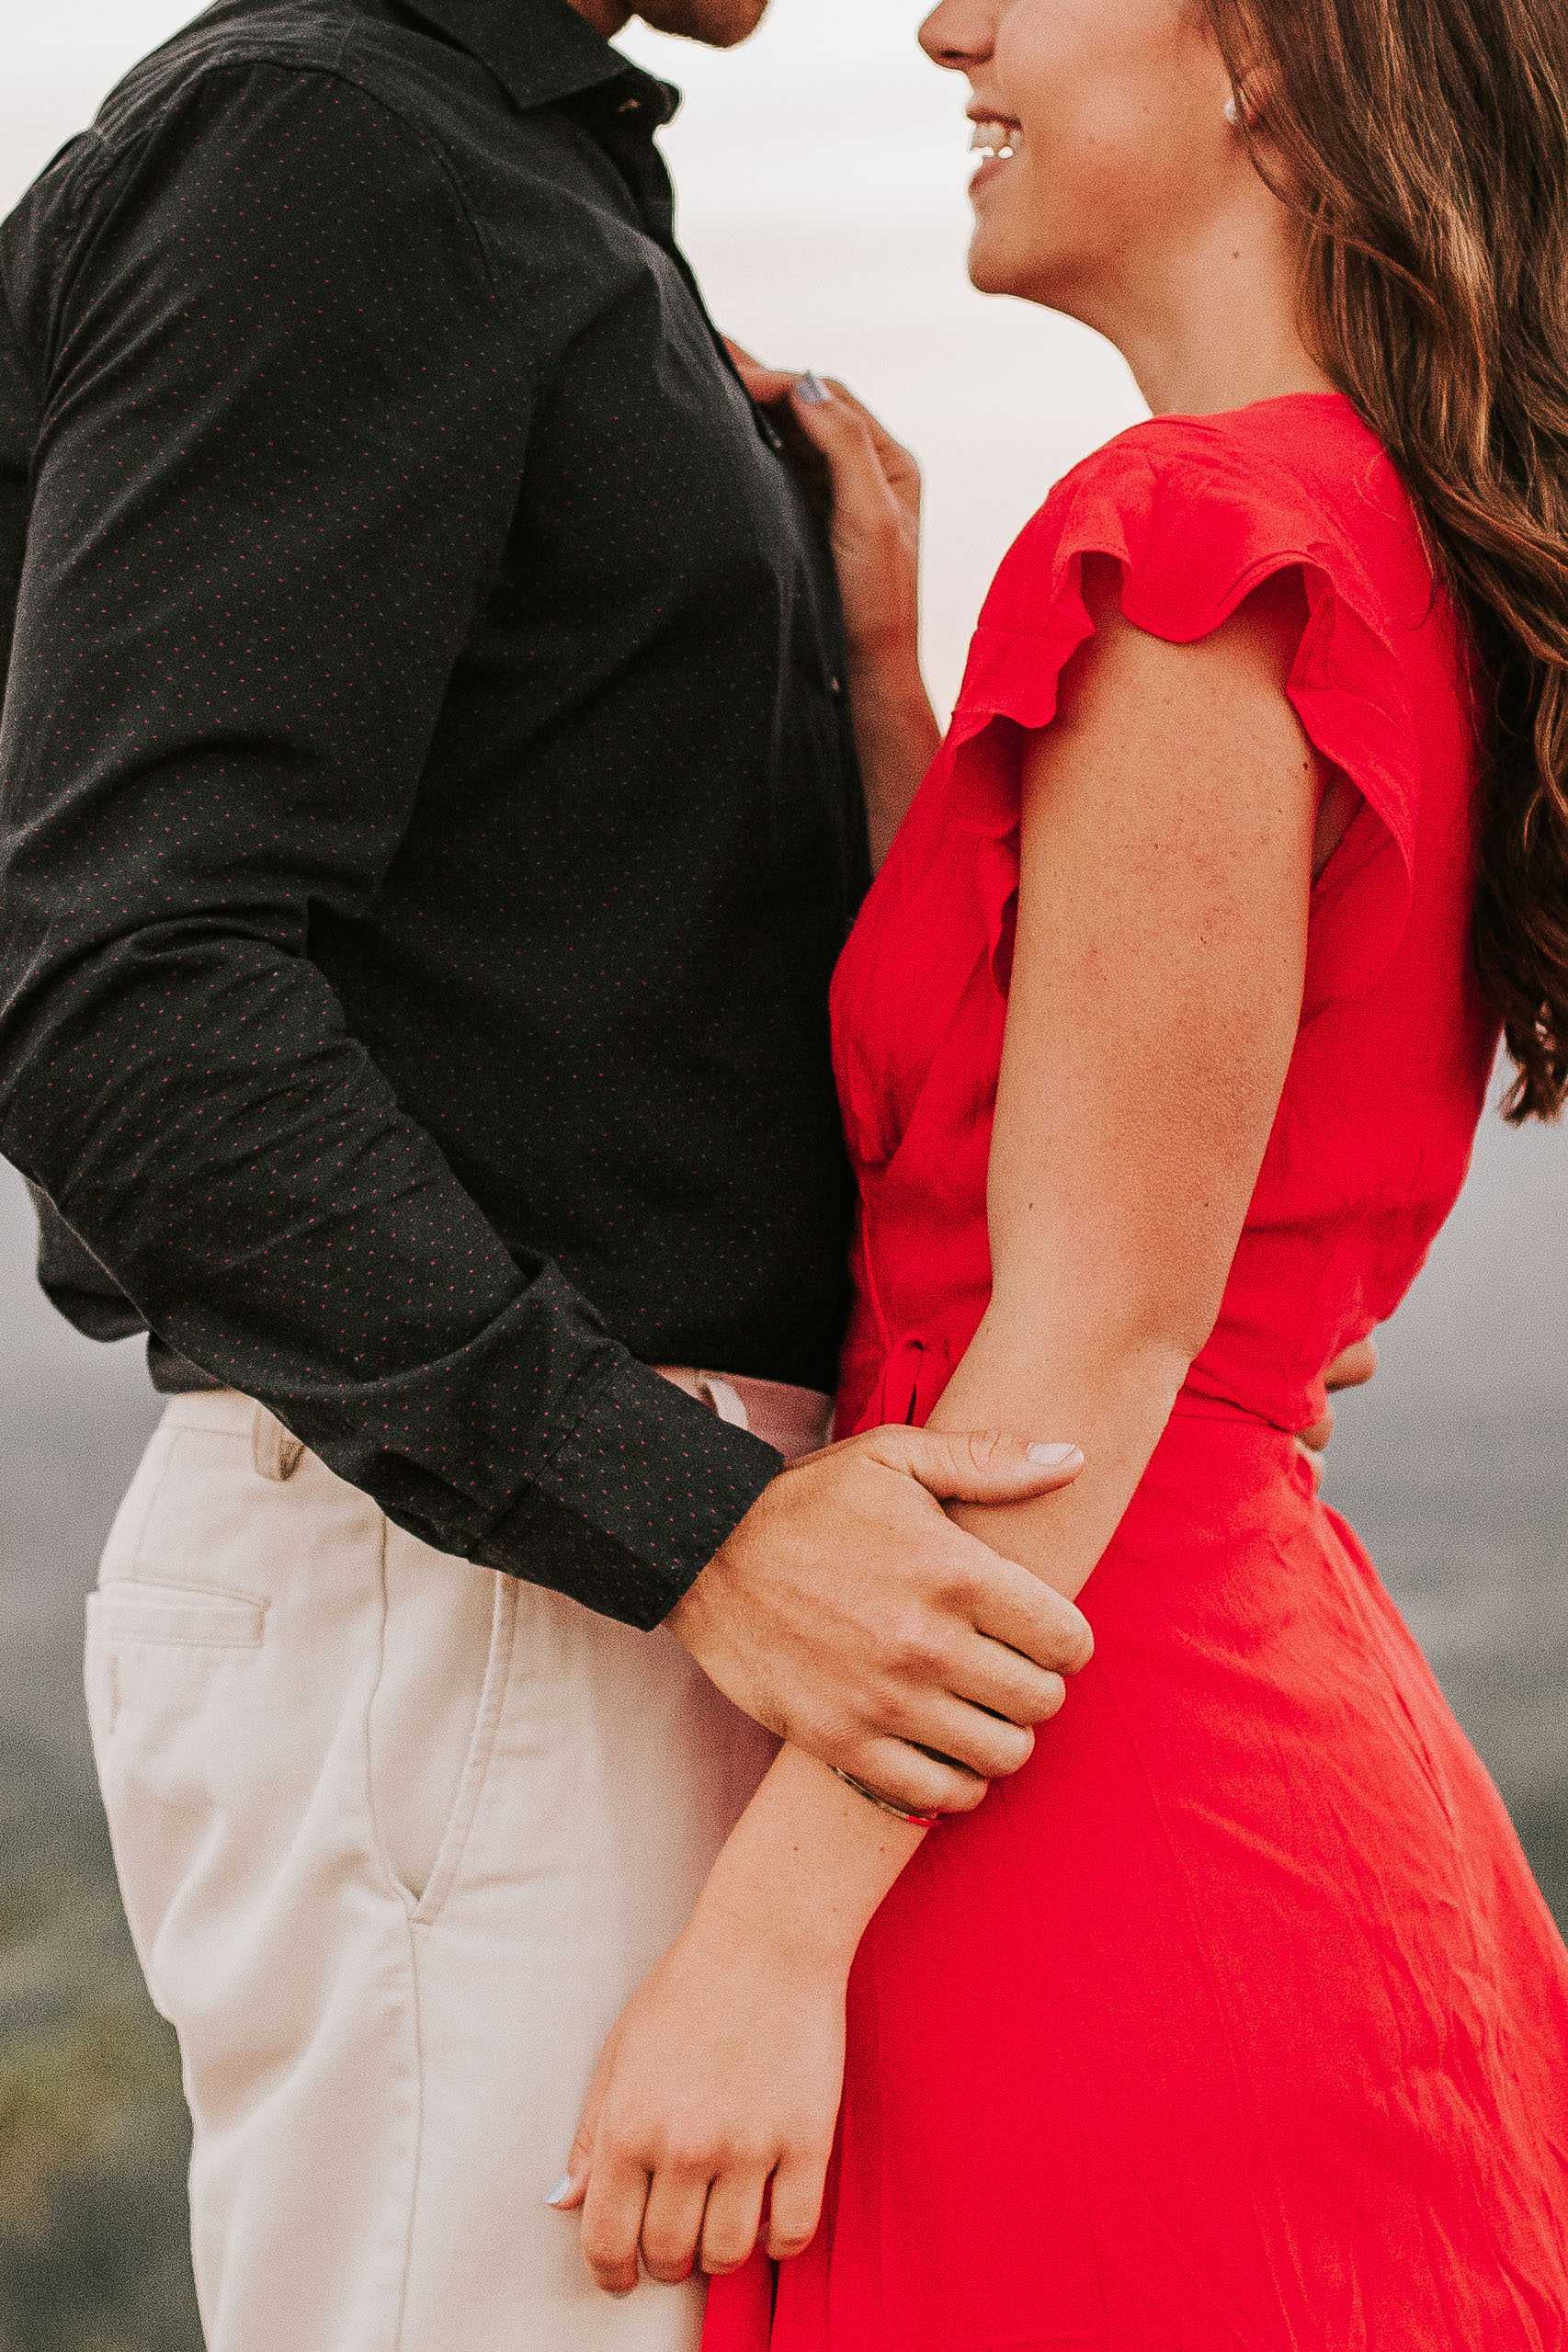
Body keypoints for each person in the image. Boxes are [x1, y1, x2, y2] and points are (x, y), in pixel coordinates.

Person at [0, 1, 1115, 2346]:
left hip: (587, 1575)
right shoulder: (326, 147)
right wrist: (685, 1520)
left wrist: (867, 672)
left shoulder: (521, 175)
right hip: (491, 1589)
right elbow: (123, 985)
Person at [554, 0, 1568, 2338]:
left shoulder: (1200, 545)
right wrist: (899, 681)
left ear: (1276, 62)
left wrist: (766, 1933)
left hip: (1068, 1777)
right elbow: (1061, 1111)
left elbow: (1086, 1324)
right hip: (1178, 1690)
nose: (947, 25)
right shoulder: (1349, 537)